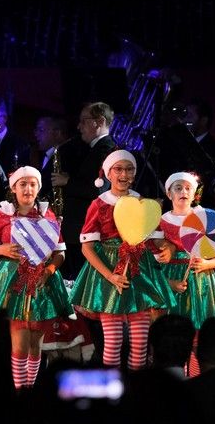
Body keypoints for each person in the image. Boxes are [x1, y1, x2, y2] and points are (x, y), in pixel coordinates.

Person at [69, 149, 175, 369]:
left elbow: (156, 240)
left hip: (139, 274)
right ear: (109, 174)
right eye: (118, 169)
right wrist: (111, 276)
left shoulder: (142, 203)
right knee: (114, 342)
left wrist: (169, 248)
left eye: (129, 169)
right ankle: (114, 392)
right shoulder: (99, 205)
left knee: (140, 343)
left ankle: (135, 391)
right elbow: (87, 248)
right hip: (109, 275)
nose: (124, 174)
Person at [0, 166, 72, 389]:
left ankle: (31, 391)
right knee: (19, 342)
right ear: (14, 189)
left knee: (36, 343)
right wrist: (2, 250)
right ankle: (21, 393)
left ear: (38, 188)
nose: (28, 189)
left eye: (32, 184)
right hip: (14, 283)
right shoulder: (3, 215)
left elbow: (60, 253)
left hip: (40, 282)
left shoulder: (47, 215)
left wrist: (48, 272)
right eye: (23, 184)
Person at [157, 171, 215, 376]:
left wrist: (207, 265)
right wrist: (168, 280)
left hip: (201, 283)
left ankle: (197, 375)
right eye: (178, 188)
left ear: (194, 195)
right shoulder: (162, 222)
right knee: (174, 333)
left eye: (187, 188)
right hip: (173, 279)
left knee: (199, 332)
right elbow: (154, 258)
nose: (183, 192)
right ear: (169, 194)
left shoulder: (204, 219)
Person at [53, 101, 116, 278]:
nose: (79, 126)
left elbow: (100, 190)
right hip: (76, 227)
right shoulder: (92, 149)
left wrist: (68, 181)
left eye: (84, 121)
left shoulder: (107, 150)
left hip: (85, 227)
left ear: (99, 121)